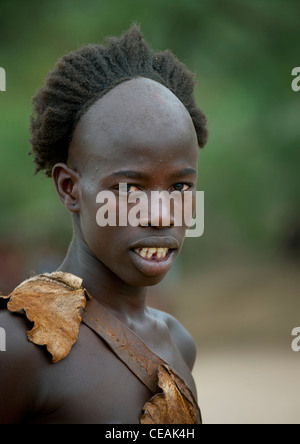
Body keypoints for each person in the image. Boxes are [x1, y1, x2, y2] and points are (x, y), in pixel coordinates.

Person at [0, 25, 208, 424]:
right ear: (69, 188)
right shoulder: (20, 345)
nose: (162, 214)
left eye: (180, 185)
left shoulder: (178, 342)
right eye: (130, 187)